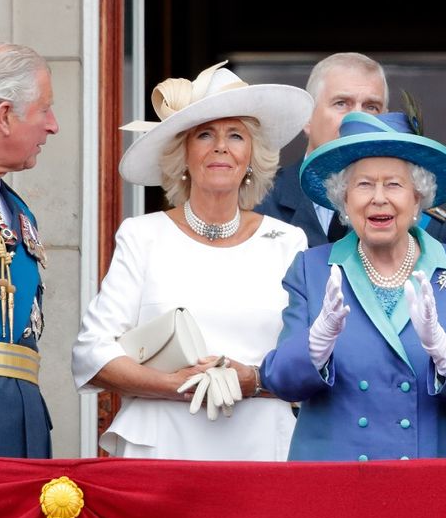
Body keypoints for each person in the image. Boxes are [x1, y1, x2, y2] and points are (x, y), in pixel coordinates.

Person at [73, 62, 311, 459]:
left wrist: (250, 380)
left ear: (251, 156)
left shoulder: (287, 240)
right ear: (183, 154)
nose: (221, 146)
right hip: (162, 447)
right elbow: (92, 355)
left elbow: (311, 362)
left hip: (261, 450)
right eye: (205, 134)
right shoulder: (142, 235)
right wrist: (177, 384)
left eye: (235, 135)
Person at [261, 111, 446, 461]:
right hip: (334, 482)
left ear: (418, 198)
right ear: (344, 201)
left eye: (393, 184)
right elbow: (280, 380)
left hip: (427, 481)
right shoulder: (313, 269)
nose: (379, 198)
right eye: (364, 185)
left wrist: (444, 351)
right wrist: (315, 346)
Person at [256, 52, 446, 246]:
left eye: (371, 107)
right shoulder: (259, 201)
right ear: (307, 117)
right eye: (341, 103)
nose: (357, 118)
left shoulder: (422, 219)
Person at [0, 43, 59, 458]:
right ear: (5, 116)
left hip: (18, 420)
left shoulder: (18, 211)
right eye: (44, 109)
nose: (53, 126)